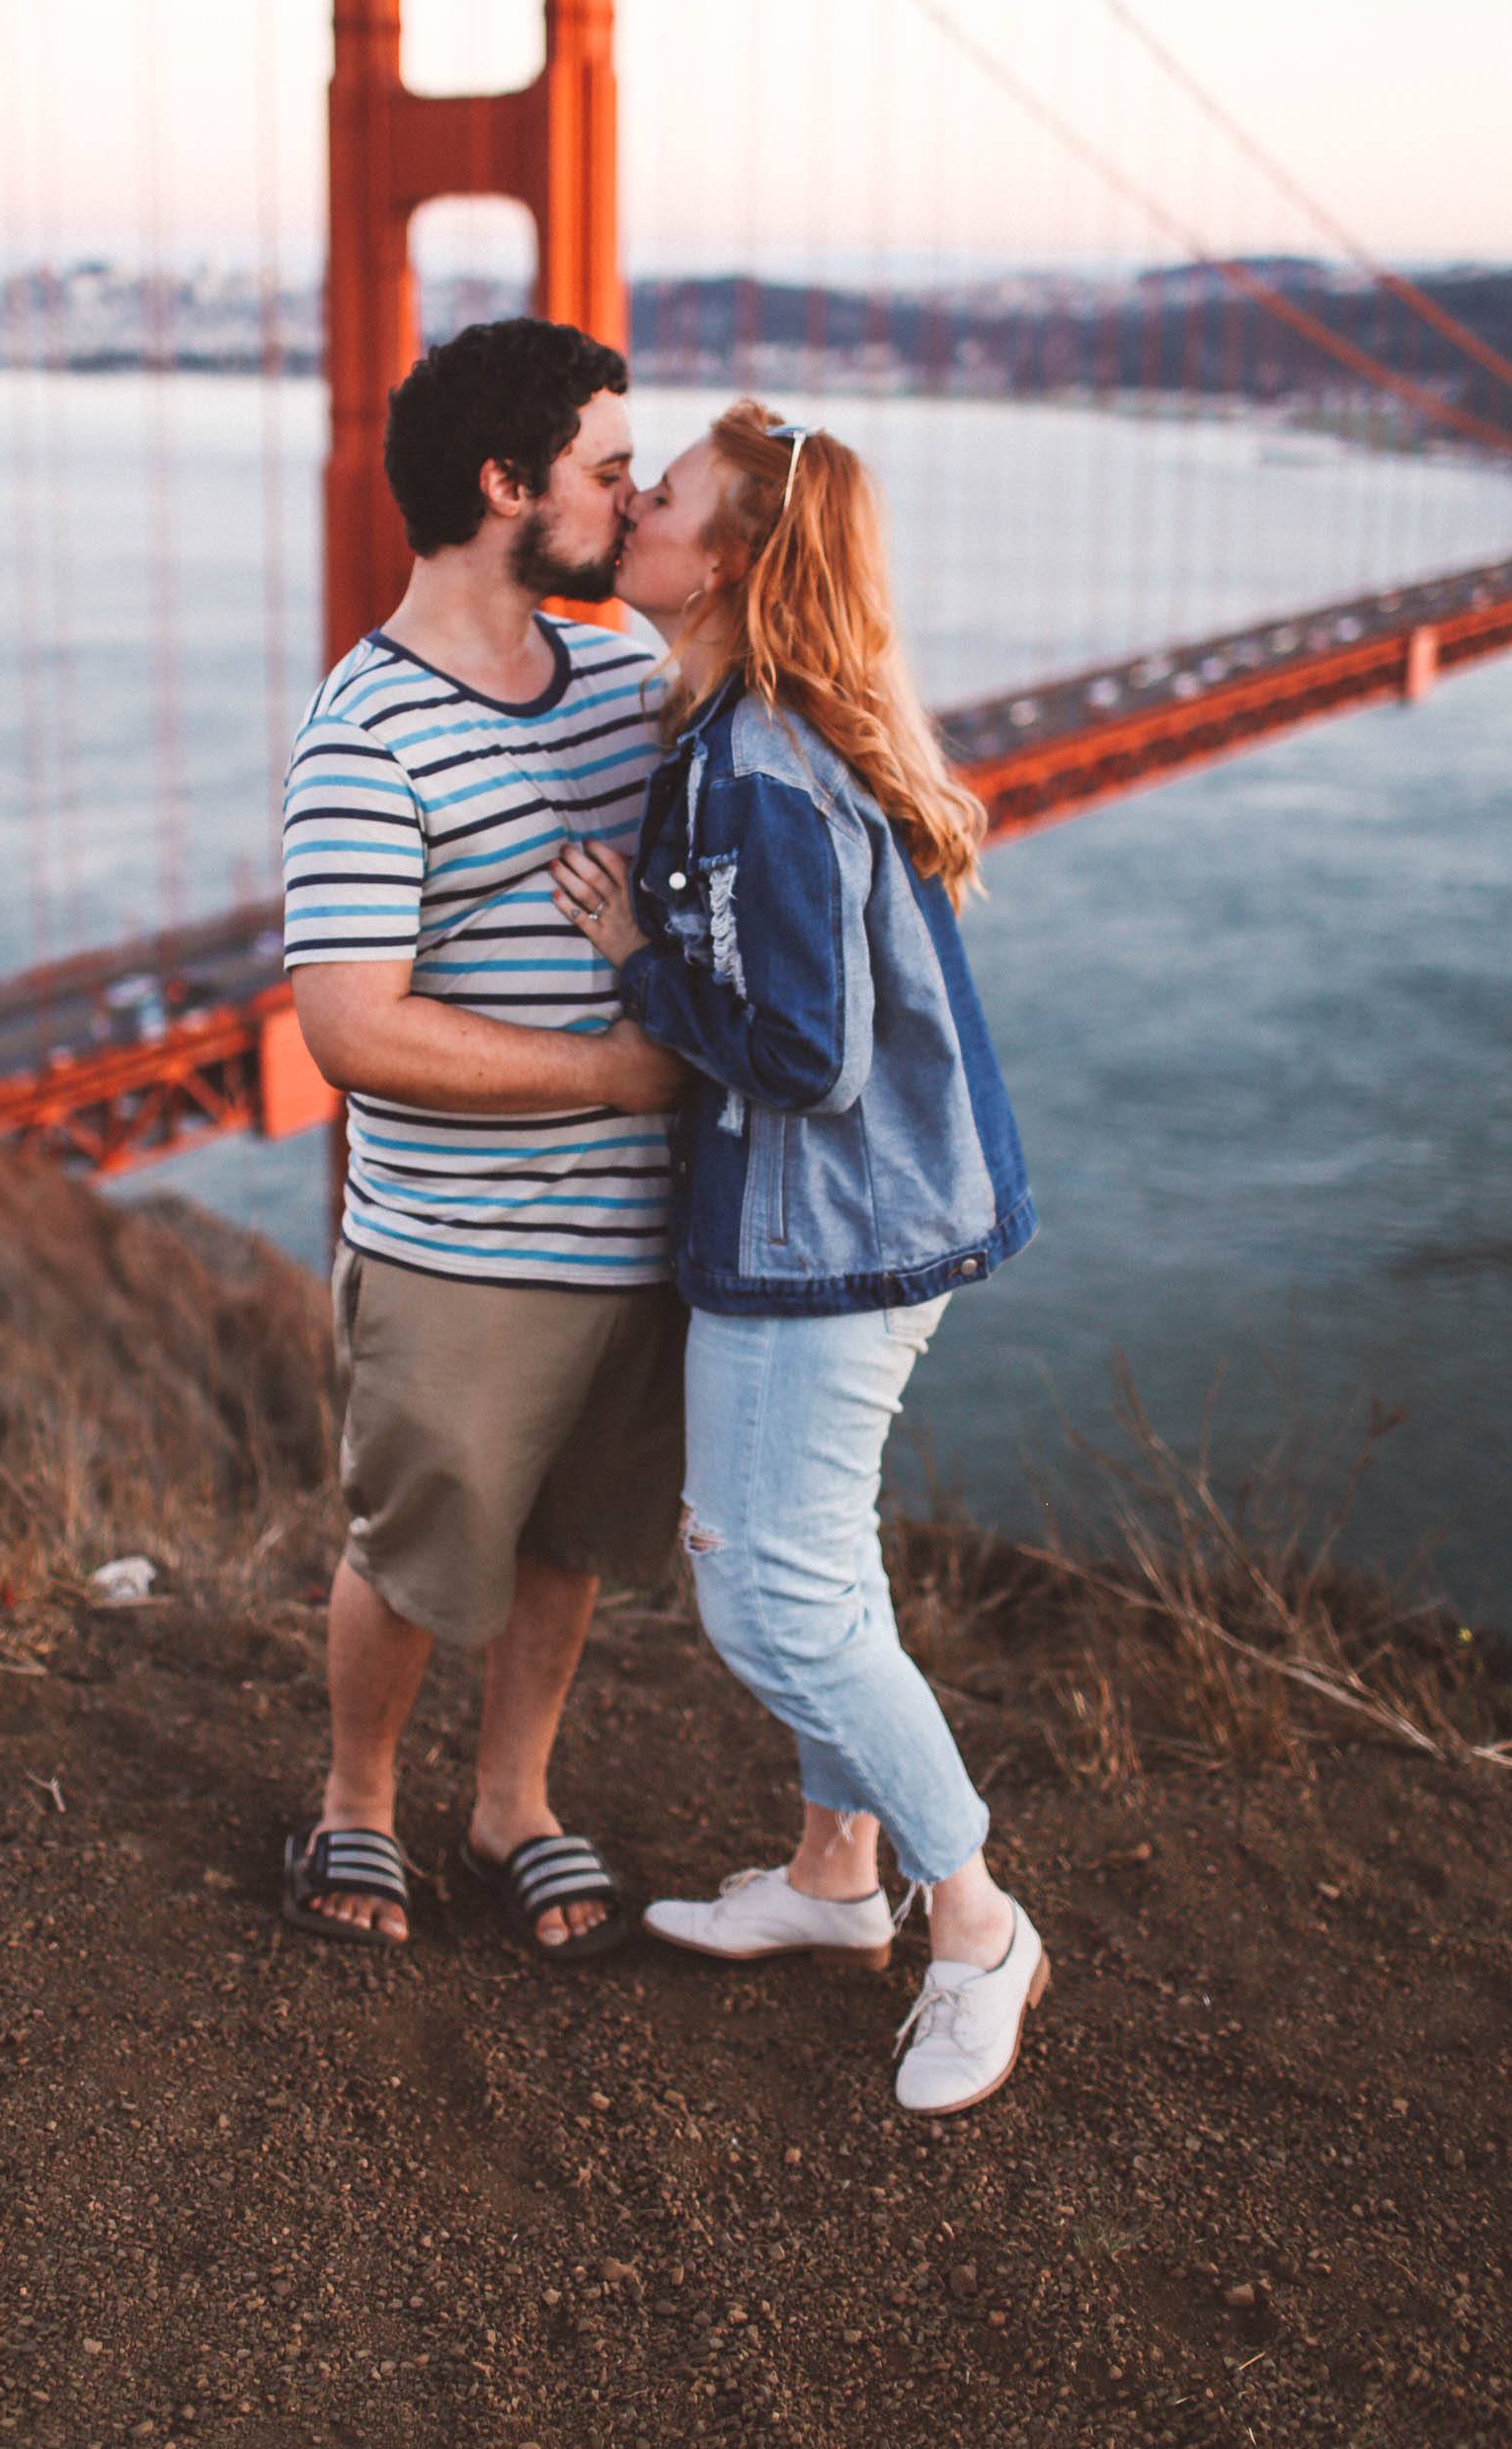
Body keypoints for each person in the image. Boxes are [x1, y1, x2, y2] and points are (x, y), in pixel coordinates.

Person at [549, 400, 1047, 2113]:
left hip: (825, 1240)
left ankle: (976, 1925)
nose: (630, 511)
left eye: (661, 496)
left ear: (734, 559)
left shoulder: (761, 765)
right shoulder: (743, 726)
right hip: (847, 1228)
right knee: (821, 1566)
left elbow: (807, 1054)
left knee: (769, 1593)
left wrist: (634, 962)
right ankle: (841, 1876)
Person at [279, 317, 687, 1961]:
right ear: (505, 484)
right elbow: (349, 1026)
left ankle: (512, 1800)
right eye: (606, 470)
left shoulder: (627, 676)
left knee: (568, 1543)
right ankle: (357, 1804)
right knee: (415, 1547)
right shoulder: (364, 735)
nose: (635, 496)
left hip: (638, 1242)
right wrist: (611, 1076)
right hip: (460, 1252)